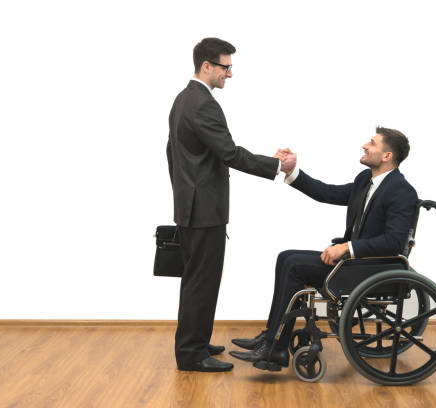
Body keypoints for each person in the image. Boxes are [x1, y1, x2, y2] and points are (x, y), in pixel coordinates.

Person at [229, 127, 418, 370]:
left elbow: (393, 242)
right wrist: (291, 171)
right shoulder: (365, 180)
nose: (364, 145)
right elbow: (327, 192)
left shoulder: (402, 190)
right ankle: (271, 337)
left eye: (372, 143)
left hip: (371, 268)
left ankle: (274, 348)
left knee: (294, 265)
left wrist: (347, 248)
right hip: (356, 263)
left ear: (386, 156)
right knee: (285, 257)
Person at [166, 38, 296, 372]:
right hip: (204, 209)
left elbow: (174, 154)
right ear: (206, 66)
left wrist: (184, 194)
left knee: (196, 278)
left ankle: (194, 340)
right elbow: (228, 152)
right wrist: (274, 165)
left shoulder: (183, 100)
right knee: (202, 280)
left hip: (191, 206)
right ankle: (192, 354)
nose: (230, 74)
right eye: (226, 67)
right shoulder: (202, 103)